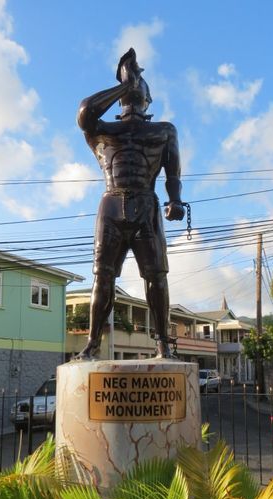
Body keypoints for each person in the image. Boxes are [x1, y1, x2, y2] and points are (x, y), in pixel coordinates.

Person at [76, 48, 186, 360]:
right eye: (134, 87)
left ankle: (163, 342)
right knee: (103, 276)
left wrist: (175, 201)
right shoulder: (102, 131)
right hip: (110, 205)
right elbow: (84, 111)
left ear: (149, 99)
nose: (138, 90)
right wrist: (125, 85)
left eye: (140, 87)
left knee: (156, 276)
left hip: (145, 206)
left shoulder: (163, 131)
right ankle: (93, 344)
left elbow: (173, 172)